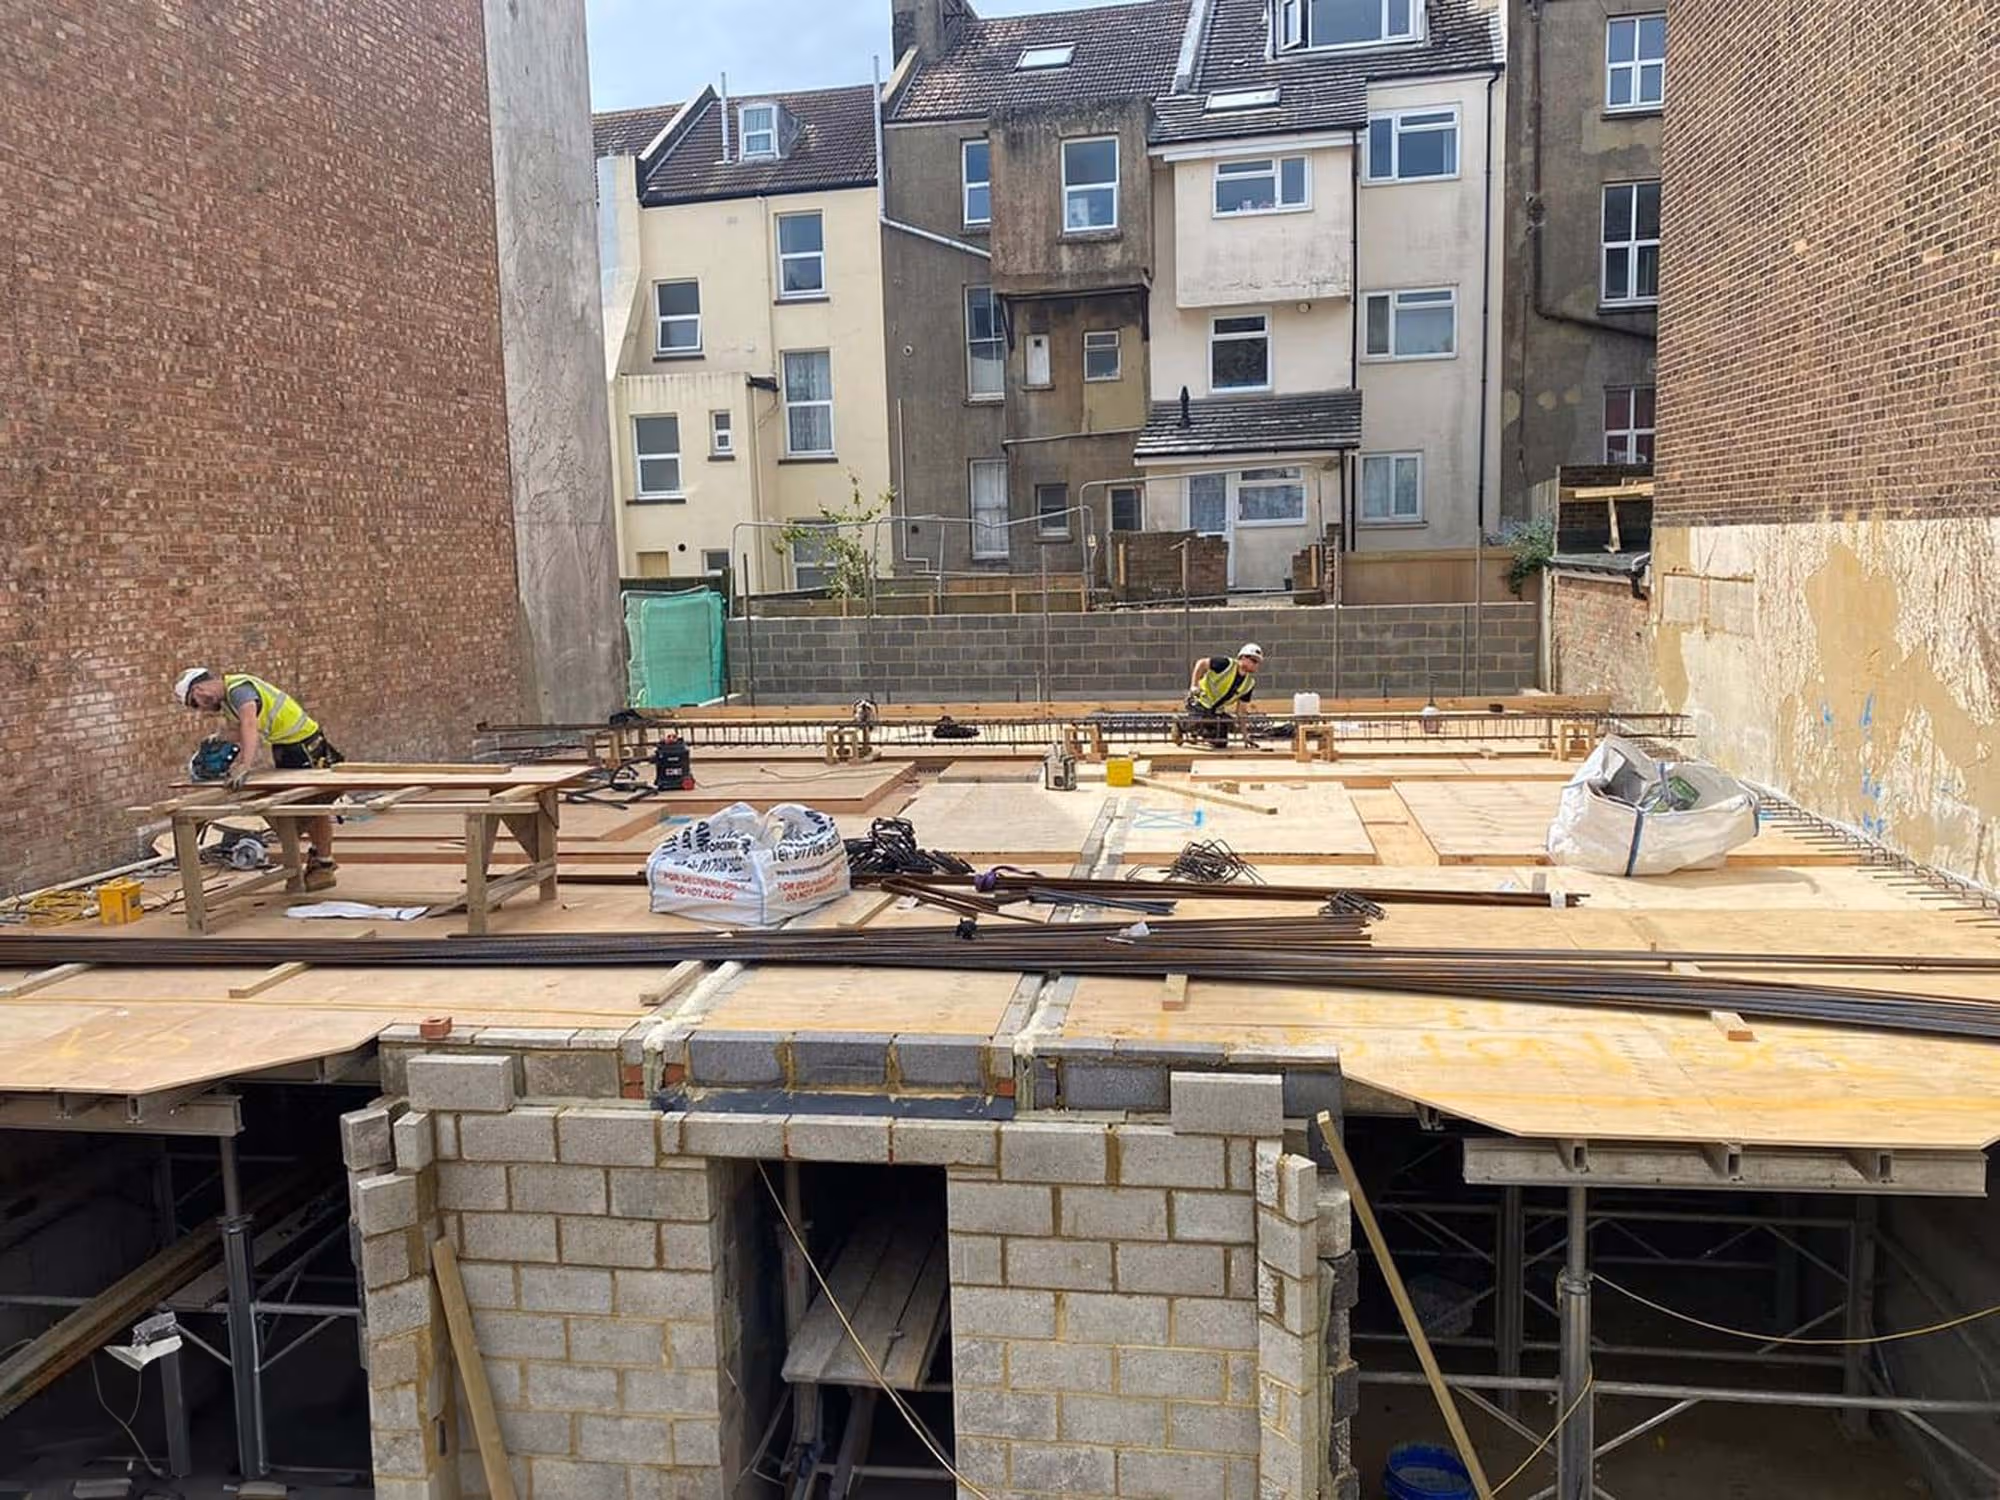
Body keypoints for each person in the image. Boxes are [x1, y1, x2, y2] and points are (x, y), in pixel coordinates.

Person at [175, 667, 344, 888]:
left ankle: (323, 864)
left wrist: (245, 766)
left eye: (195, 703)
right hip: (285, 744)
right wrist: (217, 740)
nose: (200, 709)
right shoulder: (229, 701)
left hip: (303, 743)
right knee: (304, 807)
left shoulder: (239, 690)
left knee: (313, 805)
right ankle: (318, 859)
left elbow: (249, 724)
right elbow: (239, 729)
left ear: (198, 689)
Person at [1185, 643, 1263, 748]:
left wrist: (1245, 736)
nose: (1256, 664)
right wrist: (1194, 686)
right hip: (1199, 701)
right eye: (1253, 661)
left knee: (1221, 742)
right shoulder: (1226, 664)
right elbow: (1201, 663)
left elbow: (1241, 712)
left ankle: (1198, 733)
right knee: (1204, 720)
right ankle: (1181, 724)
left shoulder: (1249, 684)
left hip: (1215, 710)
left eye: (1258, 662)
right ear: (1243, 657)